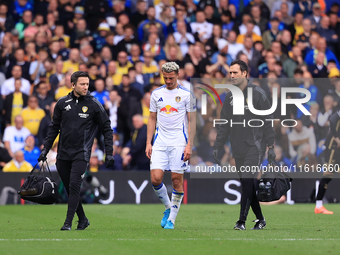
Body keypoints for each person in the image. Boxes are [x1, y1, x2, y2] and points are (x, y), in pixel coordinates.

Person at [38, 71, 115, 231]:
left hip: (82, 153)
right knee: (69, 188)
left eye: (87, 84)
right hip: (63, 154)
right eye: (82, 84)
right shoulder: (62, 103)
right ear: (73, 84)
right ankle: (83, 220)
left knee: (74, 186)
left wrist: (109, 152)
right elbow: (54, 128)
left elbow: (107, 128)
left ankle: (68, 223)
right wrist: (46, 148)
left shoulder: (94, 104)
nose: (86, 87)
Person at [213, 60, 276, 230]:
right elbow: (224, 124)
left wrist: (271, 146)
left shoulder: (258, 94)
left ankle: (241, 221)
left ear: (245, 73)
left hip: (255, 146)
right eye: (230, 73)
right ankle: (261, 220)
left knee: (248, 180)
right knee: (247, 185)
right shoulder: (229, 97)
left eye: (235, 73)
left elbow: (268, 121)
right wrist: (218, 145)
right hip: (237, 146)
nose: (231, 76)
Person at [145, 62, 196, 229]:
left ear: (178, 75)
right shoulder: (156, 94)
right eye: (165, 78)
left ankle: (172, 219)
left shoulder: (187, 95)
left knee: (176, 180)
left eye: (171, 78)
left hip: (179, 141)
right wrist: (148, 142)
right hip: (160, 140)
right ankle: (168, 207)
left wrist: (189, 145)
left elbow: (192, 121)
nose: (168, 81)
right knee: (155, 179)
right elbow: (152, 119)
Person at [315, 110, 340, 214]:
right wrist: (336, 137)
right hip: (333, 148)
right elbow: (333, 119)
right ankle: (318, 206)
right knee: (327, 175)